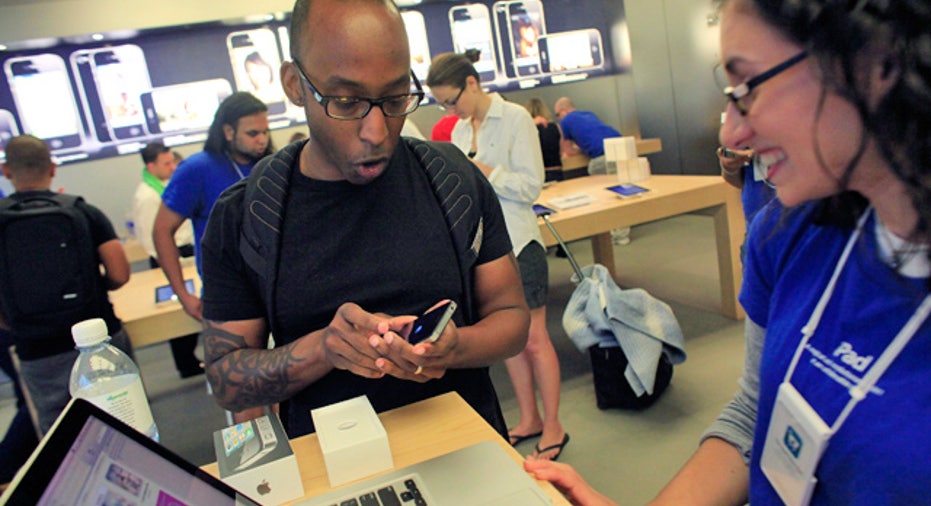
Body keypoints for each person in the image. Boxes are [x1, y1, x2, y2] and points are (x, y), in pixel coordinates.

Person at [526, 0, 931, 504]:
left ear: (878, 63)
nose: (730, 132)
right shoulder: (787, 234)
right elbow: (756, 410)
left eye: (751, 89)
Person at [198, 0, 529, 437]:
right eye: (346, 101)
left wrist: (453, 347)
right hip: (334, 471)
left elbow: (511, 317)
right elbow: (226, 382)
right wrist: (325, 348)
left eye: (394, 99)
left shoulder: (451, 180)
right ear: (295, 85)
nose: (376, 131)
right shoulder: (247, 216)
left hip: (469, 448)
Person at [427, 51, 568, 461]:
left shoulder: (516, 119)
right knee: (507, 341)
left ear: (472, 83)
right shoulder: (454, 132)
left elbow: (531, 188)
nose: (449, 110)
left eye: (451, 100)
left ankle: (555, 424)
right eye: (442, 105)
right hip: (482, 252)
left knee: (536, 340)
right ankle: (529, 419)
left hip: (520, 243)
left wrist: (486, 172)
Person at [0, 135, 132, 434]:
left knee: (59, 432)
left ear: (7, 171)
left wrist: (15, 321)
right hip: (100, 335)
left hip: (37, 347)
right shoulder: (83, 211)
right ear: (53, 167)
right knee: (124, 417)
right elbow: (120, 273)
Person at [153, 91, 272, 323]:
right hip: (228, 298)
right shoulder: (196, 169)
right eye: (252, 133)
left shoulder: (272, 165)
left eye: (265, 132)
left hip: (274, 290)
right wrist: (183, 295)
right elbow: (161, 231)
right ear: (228, 132)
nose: (262, 140)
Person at [131, 142, 201, 378]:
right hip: (170, 257)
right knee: (176, 313)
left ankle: (189, 359)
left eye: (173, 161)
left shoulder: (163, 186)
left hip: (184, 252)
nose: (173, 167)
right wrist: (173, 263)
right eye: (167, 163)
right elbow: (154, 237)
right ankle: (186, 363)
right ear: (151, 166)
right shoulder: (147, 196)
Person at [553, 97, 630, 245]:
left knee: (605, 195)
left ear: (563, 111)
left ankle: (616, 235)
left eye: (557, 114)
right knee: (621, 191)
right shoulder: (589, 114)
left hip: (602, 156)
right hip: (620, 147)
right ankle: (622, 231)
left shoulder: (565, 121)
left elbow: (568, 151)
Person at [715, 145, 776, 261]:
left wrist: (759, 154)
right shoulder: (745, 130)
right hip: (756, 233)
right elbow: (741, 182)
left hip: (802, 233)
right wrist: (730, 167)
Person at [525, 97, 562, 182]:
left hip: (539, 174)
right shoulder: (555, 127)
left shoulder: (527, 129)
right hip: (557, 170)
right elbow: (563, 150)